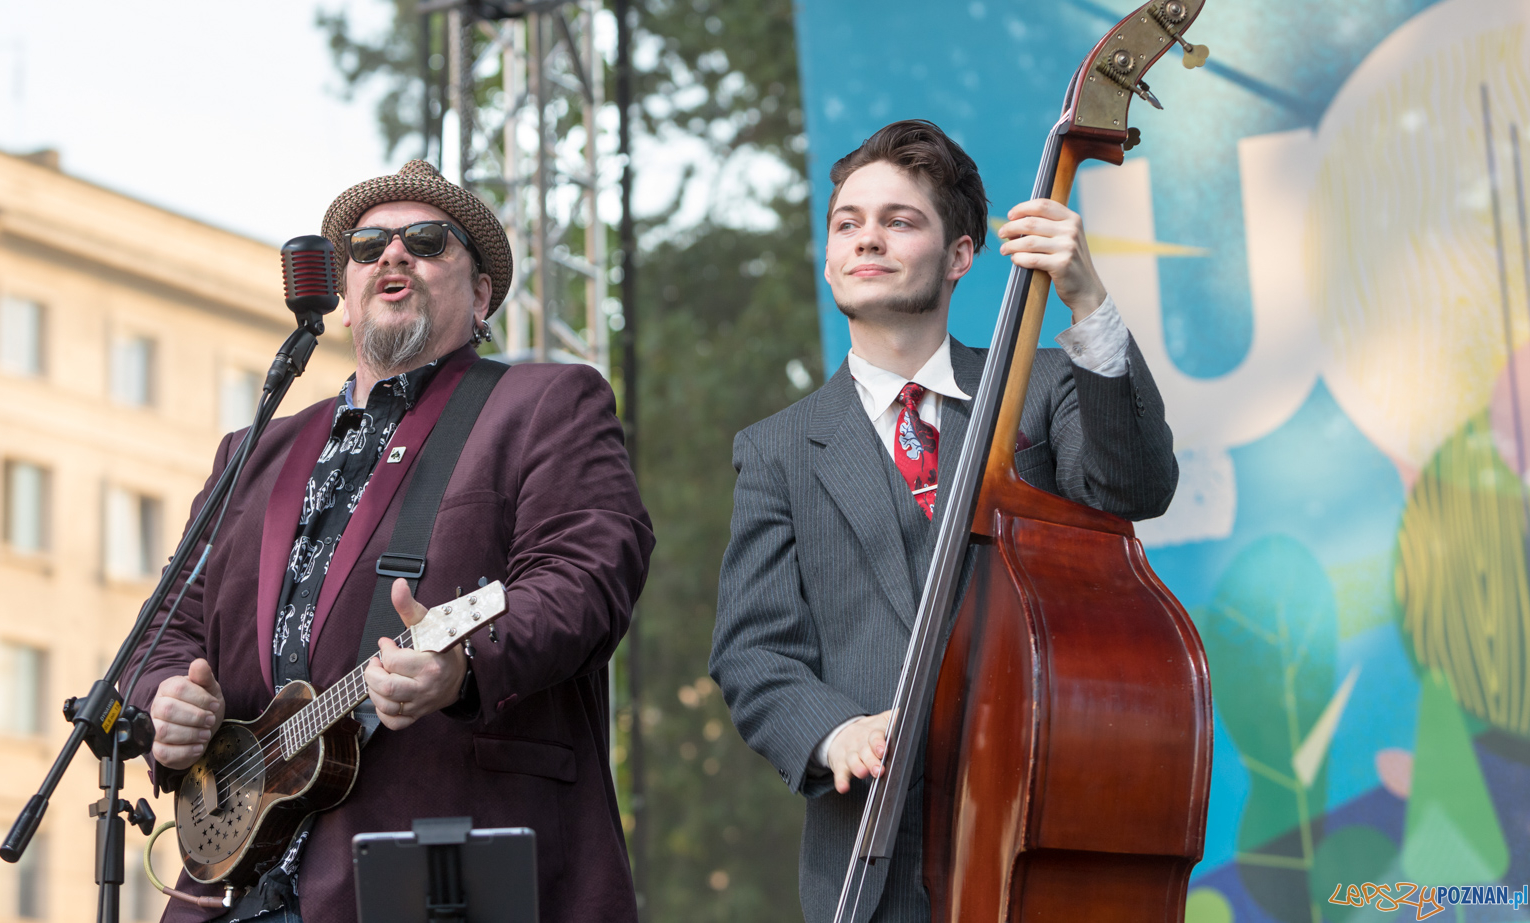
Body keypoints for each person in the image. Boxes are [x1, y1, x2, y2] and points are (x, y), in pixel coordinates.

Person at [126, 160, 652, 923]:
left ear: (481, 296)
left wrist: (465, 665)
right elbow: (164, 630)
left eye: (427, 241)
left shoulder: (544, 402)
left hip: (444, 870)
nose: (393, 255)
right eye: (367, 247)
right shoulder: (253, 450)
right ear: (344, 296)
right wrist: (164, 699)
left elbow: (587, 576)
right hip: (235, 888)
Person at [709, 120, 1178, 923]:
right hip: (871, 865)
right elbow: (753, 649)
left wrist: (1088, 300)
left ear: (961, 255)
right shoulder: (777, 449)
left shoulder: (1043, 388)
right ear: (828, 260)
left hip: (1040, 825)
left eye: (900, 221)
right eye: (848, 223)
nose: (868, 238)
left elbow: (1133, 484)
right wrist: (834, 732)